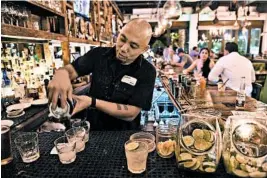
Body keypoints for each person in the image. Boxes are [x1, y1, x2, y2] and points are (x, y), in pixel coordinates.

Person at [48, 19, 156, 130]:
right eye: (122, 39)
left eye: (133, 46)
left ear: (144, 49)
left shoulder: (147, 71)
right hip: (93, 131)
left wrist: (92, 102)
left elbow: (131, 113)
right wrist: (61, 74)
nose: (123, 49)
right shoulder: (98, 55)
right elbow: (71, 70)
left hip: (125, 136)